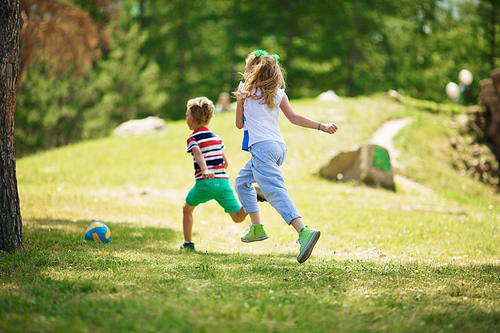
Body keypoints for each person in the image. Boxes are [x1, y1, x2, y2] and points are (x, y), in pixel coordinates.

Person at [233, 50, 339, 263]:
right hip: (278, 148)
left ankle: (304, 231)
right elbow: (294, 118)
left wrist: (240, 99)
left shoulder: (245, 91)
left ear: (253, 71)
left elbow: (239, 124)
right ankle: (256, 227)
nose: (244, 73)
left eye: (246, 69)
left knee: (275, 192)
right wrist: (322, 126)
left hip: (261, 149)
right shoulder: (278, 93)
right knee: (242, 182)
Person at [181, 97, 247, 250]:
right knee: (237, 217)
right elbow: (226, 162)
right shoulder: (217, 138)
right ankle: (252, 201)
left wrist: (204, 170)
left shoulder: (192, 138)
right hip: (223, 182)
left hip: (205, 182)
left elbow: (197, 154)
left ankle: (188, 243)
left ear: (191, 119)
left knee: (187, 208)